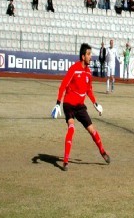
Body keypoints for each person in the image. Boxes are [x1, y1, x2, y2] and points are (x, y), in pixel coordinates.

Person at [50, 43, 110, 171]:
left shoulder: (88, 72)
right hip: (69, 105)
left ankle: (103, 152)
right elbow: (63, 86)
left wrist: (96, 104)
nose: (91, 57)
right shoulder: (74, 69)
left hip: (80, 106)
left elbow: (89, 90)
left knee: (92, 130)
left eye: (91, 54)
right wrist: (57, 104)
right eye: (89, 54)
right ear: (83, 56)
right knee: (72, 128)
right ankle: (65, 161)